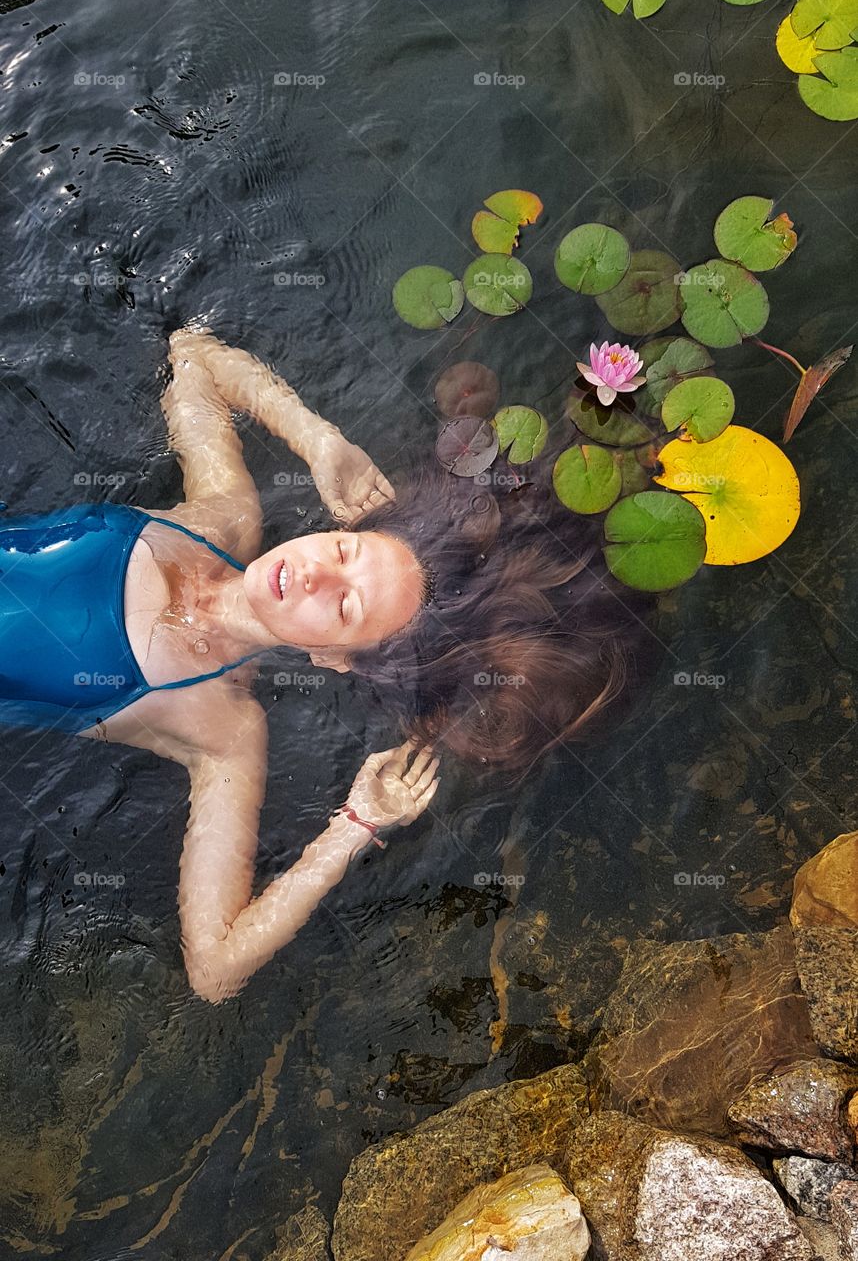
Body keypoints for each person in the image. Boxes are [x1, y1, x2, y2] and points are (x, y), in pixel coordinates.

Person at [0, 330, 652, 1002]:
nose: (311, 573)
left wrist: (352, 827)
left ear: (334, 658)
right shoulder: (221, 516)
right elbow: (191, 354)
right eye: (343, 552)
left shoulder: (222, 728)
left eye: (343, 608)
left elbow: (214, 968)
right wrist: (317, 440)